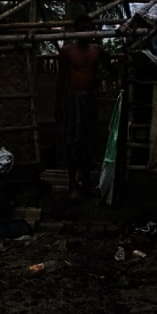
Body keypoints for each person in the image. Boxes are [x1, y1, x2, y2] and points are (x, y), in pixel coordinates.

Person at [55, 15, 112, 200]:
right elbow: (60, 80)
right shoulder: (67, 51)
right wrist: (58, 107)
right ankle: (72, 184)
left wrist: (108, 57)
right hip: (72, 99)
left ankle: (86, 183)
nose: (86, 32)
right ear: (75, 31)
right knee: (72, 141)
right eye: (82, 28)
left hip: (89, 99)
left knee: (88, 141)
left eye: (89, 29)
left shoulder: (97, 51)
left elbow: (111, 69)